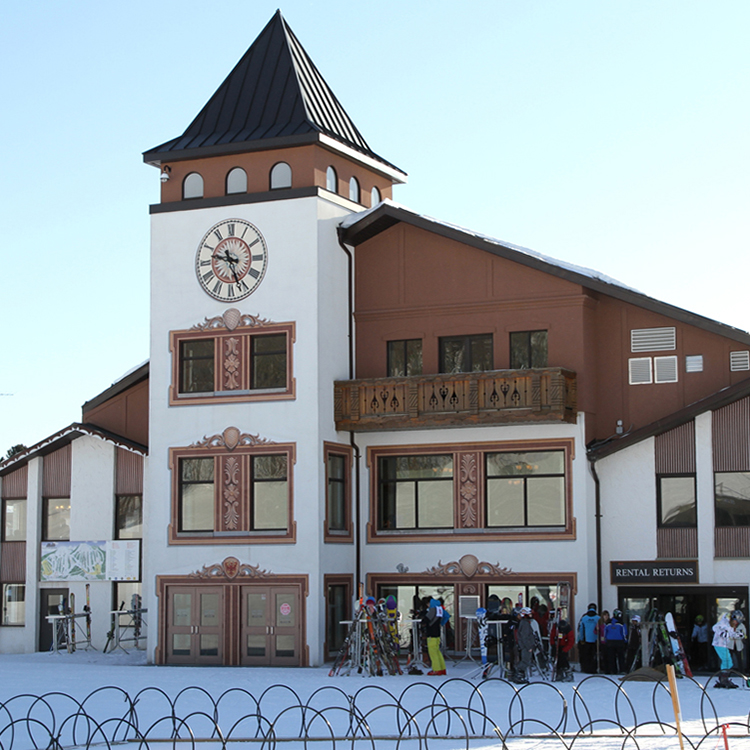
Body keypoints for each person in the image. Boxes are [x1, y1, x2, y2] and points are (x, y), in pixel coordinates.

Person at [712, 613, 739, 688]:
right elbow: (715, 627)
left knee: (729, 662)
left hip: (725, 645)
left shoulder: (730, 625)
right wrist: (722, 633)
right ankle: (723, 679)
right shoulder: (724, 622)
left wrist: (738, 634)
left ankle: (724, 678)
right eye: (735, 621)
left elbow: (730, 634)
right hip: (719, 644)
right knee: (726, 660)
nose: (736, 623)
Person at [422, 597, 447, 675]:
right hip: (437, 633)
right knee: (437, 651)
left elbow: (426, 619)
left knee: (432, 652)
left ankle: (436, 669)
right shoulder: (440, 610)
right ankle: (442, 668)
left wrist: (423, 621)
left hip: (431, 633)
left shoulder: (432, 609)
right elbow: (447, 616)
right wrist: (441, 623)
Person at [513, 607, 536, 683]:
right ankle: (519, 676)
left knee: (526, 660)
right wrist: (529, 646)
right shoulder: (525, 624)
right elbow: (525, 637)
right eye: (529, 614)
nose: (531, 615)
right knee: (525, 661)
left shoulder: (525, 623)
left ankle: (520, 676)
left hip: (525, 646)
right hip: (525, 646)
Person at [577, 603, 600, 674]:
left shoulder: (584, 618)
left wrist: (581, 639)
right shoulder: (598, 618)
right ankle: (594, 668)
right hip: (596, 641)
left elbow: (581, 629)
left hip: (586, 640)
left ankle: (586, 668)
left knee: (586, 655)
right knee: (594, 655)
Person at [604, 609, 628, 674]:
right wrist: (625, 641)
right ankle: (622, 669)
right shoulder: (621, 623)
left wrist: (606, 640)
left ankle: (613, 670)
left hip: (610, 642)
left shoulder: (608, 623)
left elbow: (605, 632)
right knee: (621, 656)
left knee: (611, 657)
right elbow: (624, 633)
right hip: (619, 641)